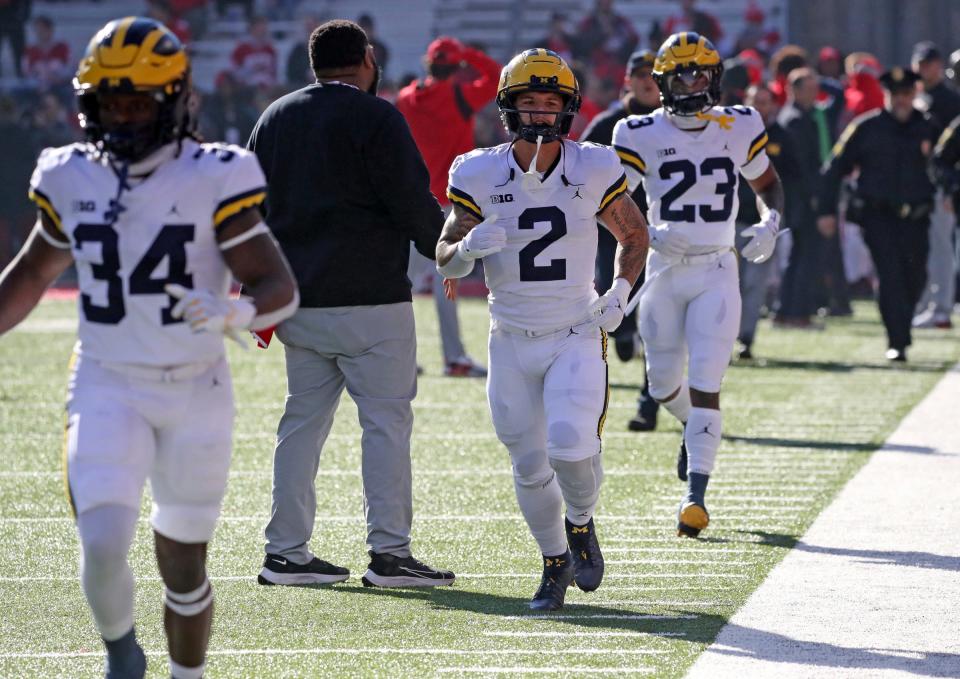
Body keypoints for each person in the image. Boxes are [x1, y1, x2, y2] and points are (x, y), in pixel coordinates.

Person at [0, 18, 299, 679]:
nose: (123, 115)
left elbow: (281, 285)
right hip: (107, 378)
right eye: (110, 102)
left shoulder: (215, 173)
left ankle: (185, 674)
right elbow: (28, 275)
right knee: (103, 541)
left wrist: (238, 309)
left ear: (172, 101)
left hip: (197, 387)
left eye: (137, 102)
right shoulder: (70, 174)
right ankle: (121, 655)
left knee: (184, 562)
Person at [436, 48, 649, 609]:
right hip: (508, 337)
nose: (538, 113)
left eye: (549, 102)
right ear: (509, 108)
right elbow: (444, 257)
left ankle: (580, 522)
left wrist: (621, 292)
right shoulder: (477, 171)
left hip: (573, 330)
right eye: (527, 103)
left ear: (568, 107)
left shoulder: (595, 165)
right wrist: (465, 250)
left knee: (571, 447)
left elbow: (634, 234)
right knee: (529, 465)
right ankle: (554, 562)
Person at [247, 20, 454, 589]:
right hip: (370, 299)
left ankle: (285, 550)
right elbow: (412, 202)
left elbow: (246, 209)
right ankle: (389, 554)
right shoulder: (377, 115)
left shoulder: (275, 117)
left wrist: (255, 286)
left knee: (301, 425)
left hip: (298, 299)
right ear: (366, 58)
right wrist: (449, 253)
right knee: (385, 425)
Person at [613, 32, 784, 538]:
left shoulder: (739, 123)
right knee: (663, 384)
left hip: (715, 268)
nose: (694, 81)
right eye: (684, 73)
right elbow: (613, 201)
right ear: (663, 81)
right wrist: (645, 228)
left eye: (702, 72)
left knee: (707, 381)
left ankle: (696, 499)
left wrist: (771, 220)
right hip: (665, 270)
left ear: (716, 77)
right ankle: (694, 429)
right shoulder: (637, 131)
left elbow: (767, 183)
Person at [396, 36, 500, 377]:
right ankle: (454, 358)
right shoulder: (459, 95)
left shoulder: (406, 98)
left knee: (401, 284)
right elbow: (497, 75)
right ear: (456, 67)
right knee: (448, 281)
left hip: (413, 201)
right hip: (451, 204)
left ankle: (397, 358)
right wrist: (469, 53)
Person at [819, 68, 939, 362]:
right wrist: (825, 210)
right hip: (878, 216)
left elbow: (946, 163)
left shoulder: (928, 127)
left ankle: (902, 328)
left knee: (916, 276)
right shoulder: (866, 127)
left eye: (906, 95)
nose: (901, 100)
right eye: (895, 95)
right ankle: (897, 340)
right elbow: (834, 168)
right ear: (887, 95)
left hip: (916, 216)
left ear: (914, 95)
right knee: (890, 275)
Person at [582, 48, 662, 432]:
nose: (648, 80)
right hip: (609, 234)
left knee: (657, 321)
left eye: (655, 73)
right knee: (614, 298)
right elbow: (575, 167)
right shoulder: (606, 124)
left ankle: (649, 404)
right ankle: (624, 333)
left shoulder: (671, 125)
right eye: (641, 73)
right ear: (627, 80)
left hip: (660, 237)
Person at [736, 83, 800, 359]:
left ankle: (746, 337)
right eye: (755, 101)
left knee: (755, 282)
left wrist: (781, 215)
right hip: (730, 221)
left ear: (773, 105)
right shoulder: (731, 136)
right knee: (728, 284)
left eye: (764, 102)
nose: (760, 107)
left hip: (763, 223)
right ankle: (724, 337)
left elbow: (793, 180)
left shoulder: (782, 138)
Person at [911, 42, 960, 329]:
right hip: (921, 181)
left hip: (941, 182)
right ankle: (928, 301)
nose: (922, 69)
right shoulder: (919, 96)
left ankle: (941, 306)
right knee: (926, 245)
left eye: (927, 63)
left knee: (941, 245)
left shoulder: (949, 100)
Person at [774, 67, 829, 328]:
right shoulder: (795, 120)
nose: (814, 94)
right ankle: (796, 312)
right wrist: (816, 197)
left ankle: (787, 309)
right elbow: (803, 166)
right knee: (805, 255)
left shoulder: (800, 116)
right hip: (802, 198)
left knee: (800, 255)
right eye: (808, 89)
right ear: (794, 90)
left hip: (799, 197)